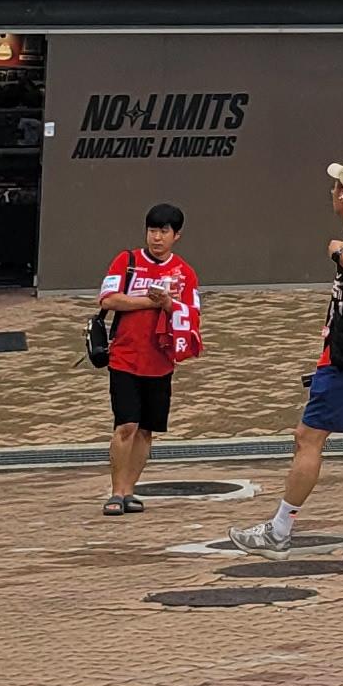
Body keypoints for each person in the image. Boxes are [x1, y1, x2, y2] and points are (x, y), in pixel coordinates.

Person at [231, 159, 343, 559]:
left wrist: (338, 254)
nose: (331, 193)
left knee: (307, 438)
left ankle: (279, 531)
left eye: (335, 187)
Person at [96, 202, 199, 517]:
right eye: (152, 230)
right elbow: (108, 299)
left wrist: (168, 304)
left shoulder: (184, 273)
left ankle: (130, 490)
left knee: (146, 430)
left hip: (161, 361)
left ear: (176, 235)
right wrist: (150, 302)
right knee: (126, 424)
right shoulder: (127, 261)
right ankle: (115, 492)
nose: (156, 237)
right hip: (125, 357)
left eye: (164, 231)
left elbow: (191, 314)